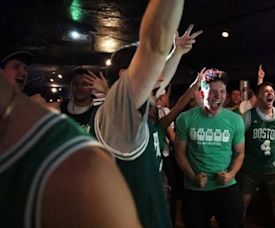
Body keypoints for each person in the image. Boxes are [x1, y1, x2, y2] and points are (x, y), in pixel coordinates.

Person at [90, 2, 202, 227]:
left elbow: (158, 83)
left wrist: (177, 52)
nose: (160, 77)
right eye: (151, 68)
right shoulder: (120, 113)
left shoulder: (130, 111)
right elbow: (153, 45)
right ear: (125, 76)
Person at [0, 73, 141, 227]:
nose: (80, 88)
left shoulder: (101, 112)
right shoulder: (57, 111)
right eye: (76, 84)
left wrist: (107, 93)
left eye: (85, 84)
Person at [174, 68, 245, 228]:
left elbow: (240, 153)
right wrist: (192, 177)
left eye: (222, 91)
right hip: (195, 188)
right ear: (202, 93)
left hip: (226, 186)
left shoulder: (235, 120)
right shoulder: (185, 119)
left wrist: (231, 174)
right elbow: (179, 152)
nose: (218, 96)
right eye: (213, 92)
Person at [239, 81, 275, 228]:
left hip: (272, 168)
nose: (270, 94)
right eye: (266, 92)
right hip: (251, 167)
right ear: (258, 97)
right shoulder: (248, 116)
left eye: (272, 91)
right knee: (243, 203)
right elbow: (240, 139)